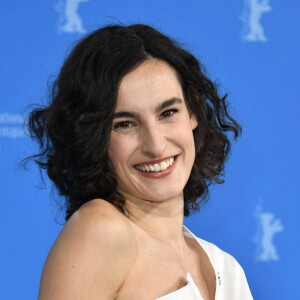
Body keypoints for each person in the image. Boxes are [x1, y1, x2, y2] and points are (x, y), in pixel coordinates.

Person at [27, 24, 253, 299]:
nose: (156, 145)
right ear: (93, 137)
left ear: (193, 110)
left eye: (168, 112)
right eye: (125, 124)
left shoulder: (228, 268)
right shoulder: (100, 231)